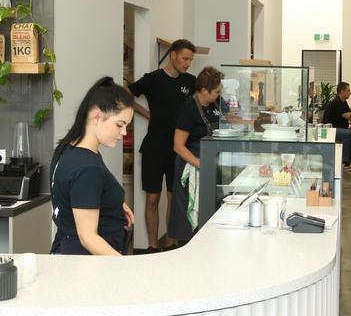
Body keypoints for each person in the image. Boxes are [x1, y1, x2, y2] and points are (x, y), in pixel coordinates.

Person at [50, 77, 135, 255]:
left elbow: (75, 195)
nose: (124, 133)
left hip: (66, 249)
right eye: (120, 125)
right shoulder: (87, 167)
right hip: (87, 263)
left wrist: (114, 203)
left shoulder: (68, 148)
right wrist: (126, 267)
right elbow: (88, 238)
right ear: (97, 116)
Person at [128, 38, 196, 252]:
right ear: (173, 55)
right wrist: (145, 112)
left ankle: (171, 242)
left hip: (179, 149)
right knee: (152, 198)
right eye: (185, 58)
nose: (187, 63)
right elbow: (124, 94)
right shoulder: (153, 79)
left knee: (174, 197)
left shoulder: (190, 81)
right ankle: (152, 246)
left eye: (190, 60)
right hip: (154, 147)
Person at [168, 66, 228, 243]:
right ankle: (186, 252)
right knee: (189, 216)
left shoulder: (215, 103)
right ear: (203, 90)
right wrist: (201, 164)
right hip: (192, 165)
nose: (219, 94)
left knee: (210, 212)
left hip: (211, 164)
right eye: (216, 92)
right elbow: (178, 146)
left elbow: (232, 118)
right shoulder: (189, 108)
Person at [322, 82, 351, 167]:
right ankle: (346, 161)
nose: (350, 93)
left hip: (336, 129)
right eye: (348, 90)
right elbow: (349, 116)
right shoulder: (337, 102)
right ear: (342, 91)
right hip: (329, 130)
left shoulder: (343, 102)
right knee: (348, 134)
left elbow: (350, 116)